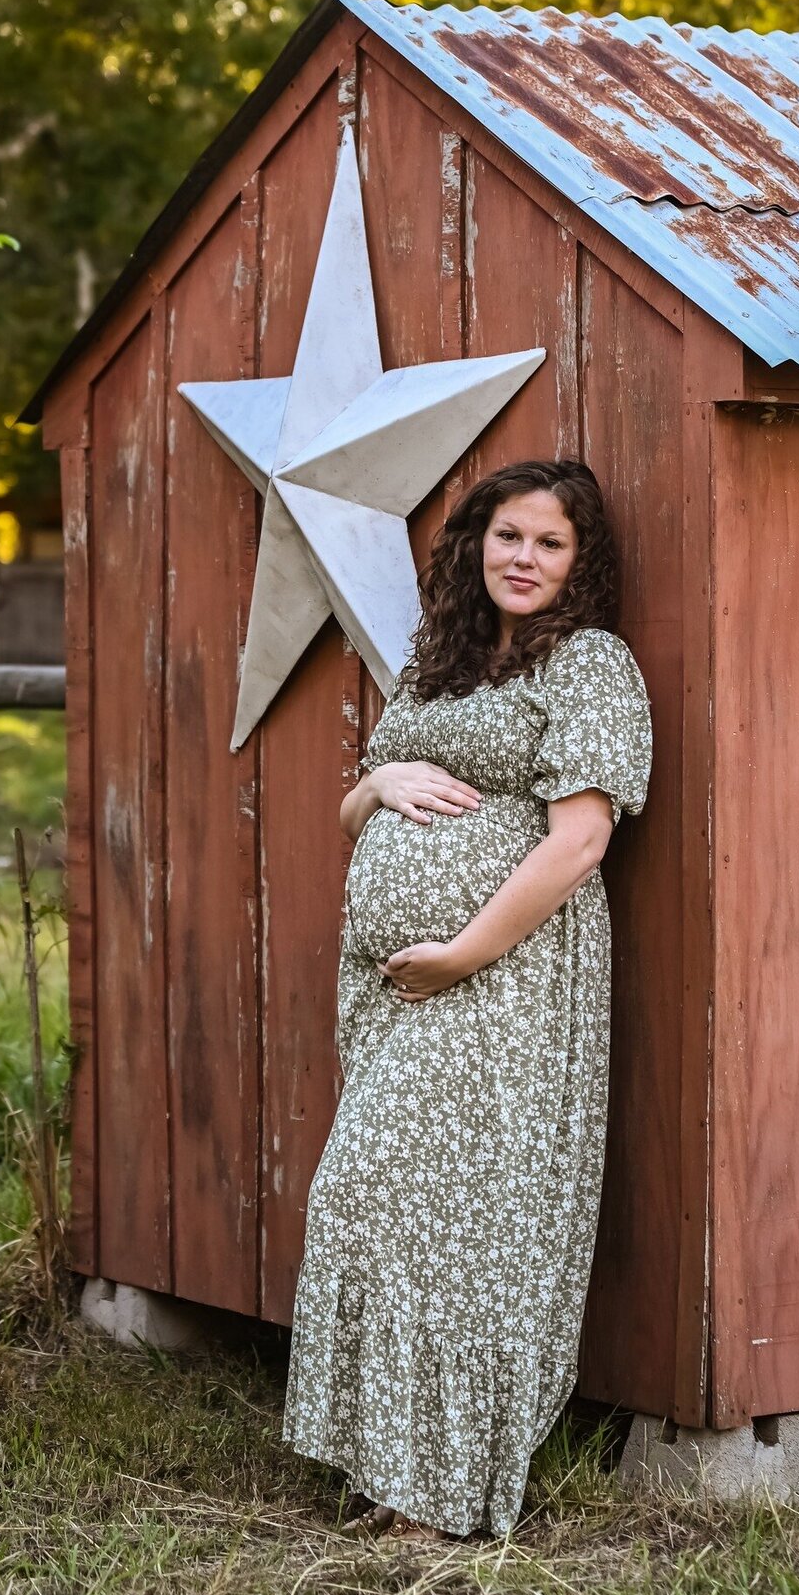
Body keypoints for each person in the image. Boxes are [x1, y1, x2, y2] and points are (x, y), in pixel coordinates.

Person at [282, 457, 654, 1540]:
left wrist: (462, 952)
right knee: (378, 1205)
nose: (524, 559)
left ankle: (440, 1488)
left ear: (579, 564)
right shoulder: (442, 664)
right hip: (397, 988)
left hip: (508, 977)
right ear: (473, 545)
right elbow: (361, 811)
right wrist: (376, 786)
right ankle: (387, 1466)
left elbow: (580, 838)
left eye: (550, 543)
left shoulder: (591, 666)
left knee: (457, 1217)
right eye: (508, 537)